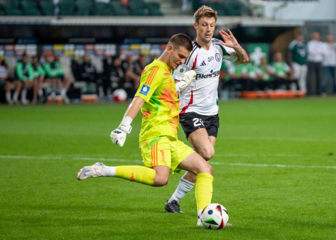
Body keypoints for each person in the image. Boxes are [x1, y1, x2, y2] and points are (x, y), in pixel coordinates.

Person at [76, 34, 215, 226]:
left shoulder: (166, 71)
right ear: (169, 49)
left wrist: (181, 84)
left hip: (170, 137)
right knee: (160, 179)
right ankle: (103, 170)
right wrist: (123, 127)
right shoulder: (156, 70)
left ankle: (204, 218)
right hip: (155, 135)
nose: (182, 62)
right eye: (180, 57)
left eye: (185, 59)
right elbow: (139, 98)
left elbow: (164, 94)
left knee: (205, 168)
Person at [165, 6, 248, 216]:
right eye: (204, 25)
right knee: (207, 153)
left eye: (212, 25)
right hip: (190, 111)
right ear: (196, 26)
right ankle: (172, 159)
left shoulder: (220, 48)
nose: (208, 29)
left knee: (203, 161)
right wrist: (181, 85)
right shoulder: (190, 53)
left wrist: (236, 46)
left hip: (212, 113)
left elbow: (244, 59)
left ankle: (173, 201)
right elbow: (175, 84)